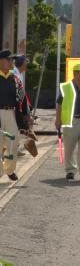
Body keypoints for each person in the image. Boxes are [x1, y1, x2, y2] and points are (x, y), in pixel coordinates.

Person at [56, 62, 80, 181]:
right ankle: (70, 171)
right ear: (76, 74)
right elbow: (59, 104)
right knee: (69, 147)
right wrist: (58, 119)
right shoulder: (66, 87)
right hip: (71, 121)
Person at [0, 50, 27, 181]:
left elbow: (22, 97)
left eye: (12, 60)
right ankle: (0, 171)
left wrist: (26, 115)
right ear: (1, 61)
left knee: (13, 143)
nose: (12, 62)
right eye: (9, 60)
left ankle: (9, 169)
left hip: (11, 113)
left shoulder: (15, 78)